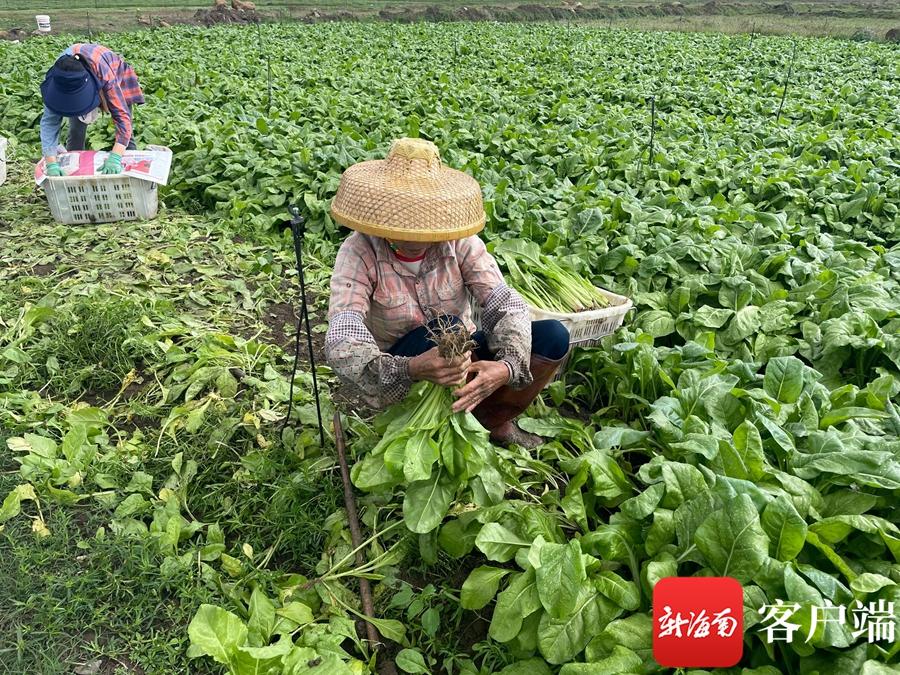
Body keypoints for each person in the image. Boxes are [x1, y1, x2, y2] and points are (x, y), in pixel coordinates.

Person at [325, 137, 570, 448]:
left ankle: (490, 420)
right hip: (404, 367)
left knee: (553, 335)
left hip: (463, 356)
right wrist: (409, 367)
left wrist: (506, 366)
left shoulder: (459, 242)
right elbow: (342, 336)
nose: (415, 232)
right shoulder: (359, 251)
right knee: (448, 329)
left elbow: (503, 301)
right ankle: (427, 427)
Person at [39, 44, 144, 177]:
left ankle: (131, 171)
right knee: (76, 130)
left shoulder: (105, 75)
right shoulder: (59, 78)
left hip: (112, 72)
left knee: (126, 130)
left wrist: (115, 156)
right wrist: (51, 163)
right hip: (77, 78)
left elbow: (122, 117)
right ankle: (74, 171)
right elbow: (49, 122)